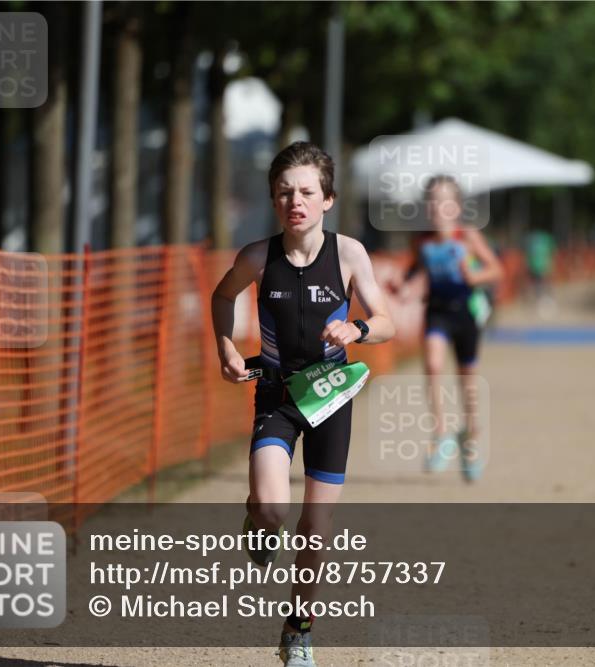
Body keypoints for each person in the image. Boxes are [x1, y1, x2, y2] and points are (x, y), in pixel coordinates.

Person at [211, 142, 395, 667]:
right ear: (274, 200)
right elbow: (222, 297)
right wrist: (226, 347)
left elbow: (387, 322)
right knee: (271, 508)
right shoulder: (256, 257)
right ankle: (257, 519)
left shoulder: (350, 254)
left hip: (331, 397)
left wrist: (356, 329)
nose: (296, 201)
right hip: (277, 392)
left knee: (315, 530)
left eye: (307, 192)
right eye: (285, 192)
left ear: (327, 199)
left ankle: (298, 630)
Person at [397, 175, 503, 482]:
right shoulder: (422, 240)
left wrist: (475, 278)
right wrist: (404, 286)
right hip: (437, 312)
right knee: (431, 364)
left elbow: (496, 269)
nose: (438, 206)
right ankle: (441, 433)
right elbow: (416, 269)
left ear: (456, 206)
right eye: (432, 199)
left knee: (467, 382)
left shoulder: (466, 236)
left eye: (445, 200)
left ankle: (470, 441)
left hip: (465, 315)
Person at [524, 227, 557, 317]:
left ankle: (545, 301)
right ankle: (541, 301)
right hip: (538, 266)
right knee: (540, 285)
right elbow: (552, 252)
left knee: (542, 285)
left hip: (539, 266)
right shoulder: (544, 239)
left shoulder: (534, 239)